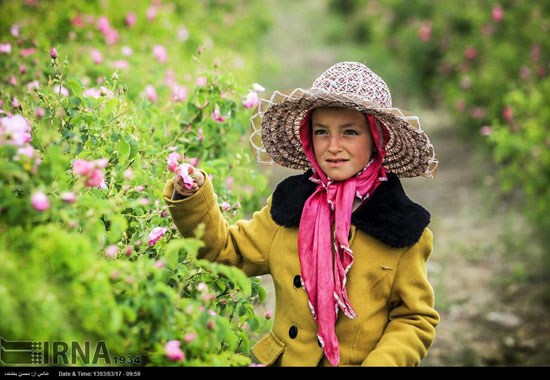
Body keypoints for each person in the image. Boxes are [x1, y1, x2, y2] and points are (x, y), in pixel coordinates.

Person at [163, 62, 440, 367]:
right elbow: (225, 250)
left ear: (376, 140)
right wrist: (193, 196)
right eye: (322, 132)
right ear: (309, 138)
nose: (333, 146)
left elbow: (414, 319)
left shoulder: (403, 228)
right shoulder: (288, 209)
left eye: (350, 132)